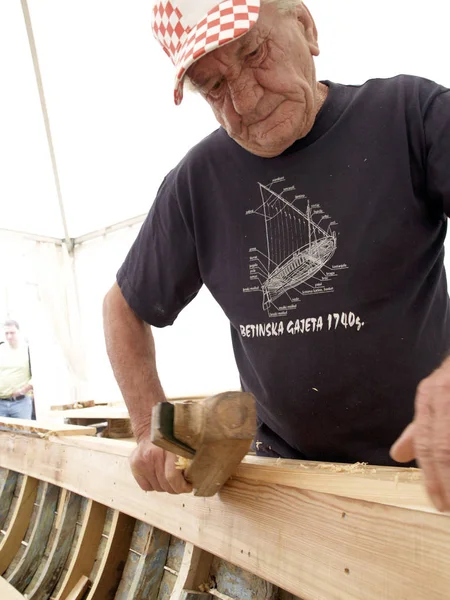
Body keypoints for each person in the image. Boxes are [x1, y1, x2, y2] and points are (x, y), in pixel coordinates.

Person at [103, 0, 450, 510]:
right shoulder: (197, 182)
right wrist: (145, 428)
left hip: (429, 475)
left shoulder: (410, 115)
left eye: (254, 52)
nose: (242, 100)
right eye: (213, 86)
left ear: (306, 27)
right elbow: (122, 308)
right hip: (282, 481)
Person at [0, 320, 34, 419]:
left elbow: (37, 376)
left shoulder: (28, 350)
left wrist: (23, 390)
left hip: (21, 402)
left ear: (18, 332)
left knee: (23, 432)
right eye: (7, 333)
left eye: (12, 333)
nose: (9, 336)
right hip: (1, 403)